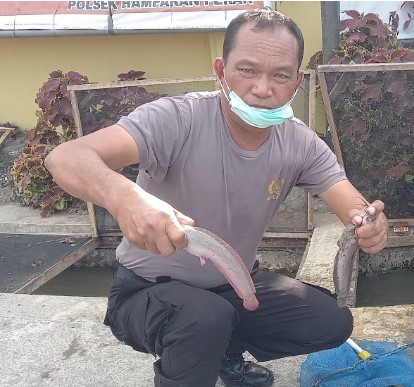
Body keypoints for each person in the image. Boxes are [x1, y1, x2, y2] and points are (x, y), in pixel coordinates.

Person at [45, 8, 388, 387]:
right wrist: (125, 198)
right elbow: (65, 157)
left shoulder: (300, 141)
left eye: (280, 75)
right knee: (203, 318)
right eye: (247, 70)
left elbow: (352, 205)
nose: (262, 88)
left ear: (297, 83)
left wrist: (368, 222)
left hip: (235, 282)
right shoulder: (177, 119)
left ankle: (224, 352)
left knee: (331, 321)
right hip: (146, 288)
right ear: (221, 71)